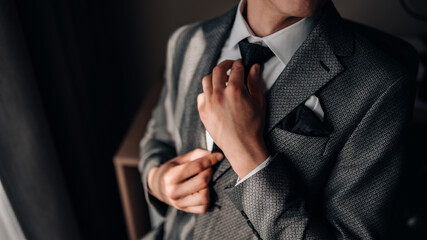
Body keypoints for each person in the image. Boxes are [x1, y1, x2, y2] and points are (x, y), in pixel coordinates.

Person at [138, 0, 415, 239]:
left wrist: (247, 155)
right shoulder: (186, 42)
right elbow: (159, 137)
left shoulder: (381, 86)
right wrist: (157, 181)